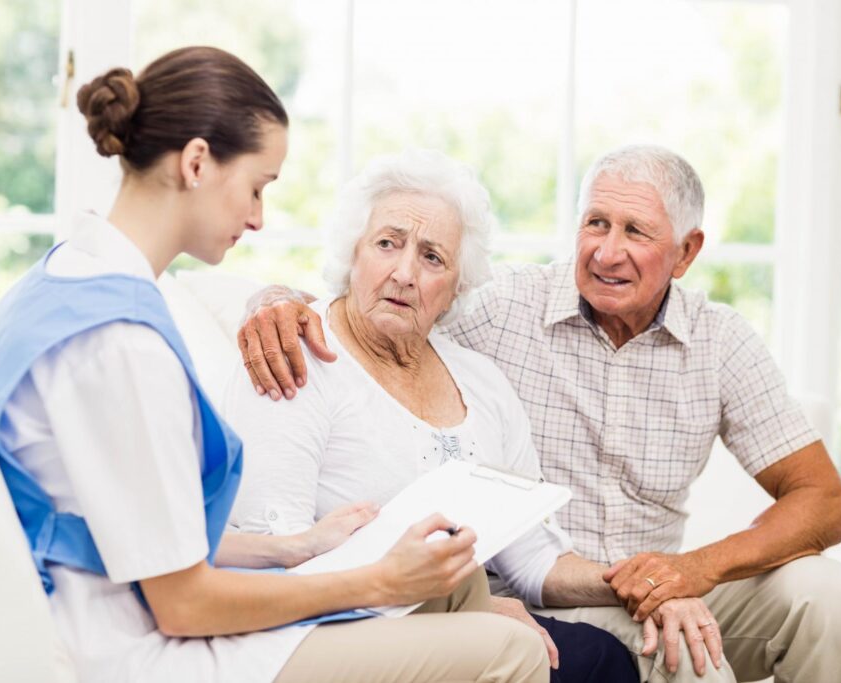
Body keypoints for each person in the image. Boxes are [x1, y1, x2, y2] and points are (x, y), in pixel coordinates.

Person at [0, 47, 549, 683]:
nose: (258, 217)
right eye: (257, 187)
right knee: (514, 649)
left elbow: (131, 531)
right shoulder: (122, 345)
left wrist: (295, 547)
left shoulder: (65, 276)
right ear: (197, 163)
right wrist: (373, 579)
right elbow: (184, 604)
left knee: (459, 585)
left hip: (127, 602)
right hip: (145, 650)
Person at [240, 144, 841, 683]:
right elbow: (366, 299)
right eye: (595, 223)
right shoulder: (501, 308)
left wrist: (689, 574)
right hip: (530, 602)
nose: (606, 252)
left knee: (829, 594)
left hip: (633, 583)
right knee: (688, 664)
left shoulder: (720, 342)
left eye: (636, 232)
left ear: (685, 253)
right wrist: (273, 300)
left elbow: (824, 503)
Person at [222, 149, 643, 683]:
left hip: (461, 607)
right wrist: (464, 610)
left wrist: (645, 584)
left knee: (602, 658)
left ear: (455, 289)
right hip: (333, 626)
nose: (404, 272)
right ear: (353, 254)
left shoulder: (483, 383)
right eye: (387, 244)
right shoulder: (293, 354)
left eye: (432, 258)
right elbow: (277, 552)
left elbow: (534, 555)